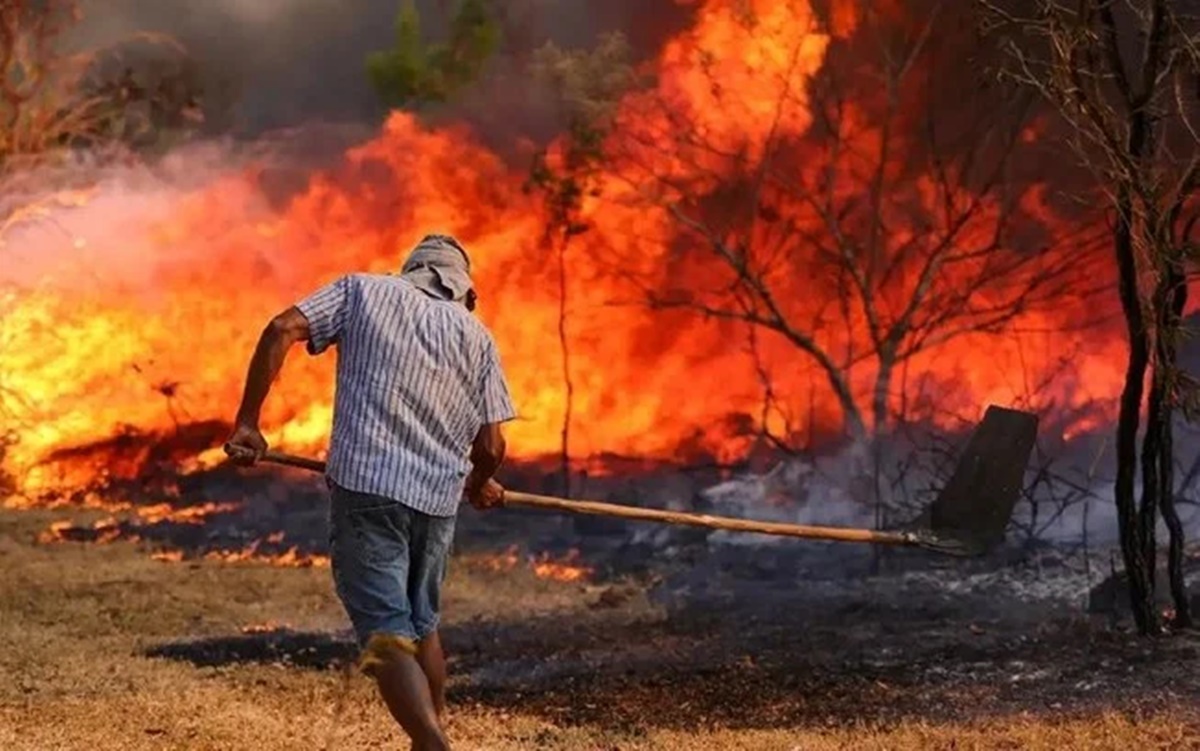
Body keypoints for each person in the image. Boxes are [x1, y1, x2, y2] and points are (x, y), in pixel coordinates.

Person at [224, 234, 516, 751]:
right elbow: (492, 443)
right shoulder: (478, 337)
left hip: (368, 490)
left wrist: (249, 422)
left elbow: (282, 327)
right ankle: (430, 737)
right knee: (422, 625)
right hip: (435, 502)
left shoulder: (363, 291)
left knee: (385, 630)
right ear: (464, 291)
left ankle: (430, 743)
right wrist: (477, 482)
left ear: (410, 271)